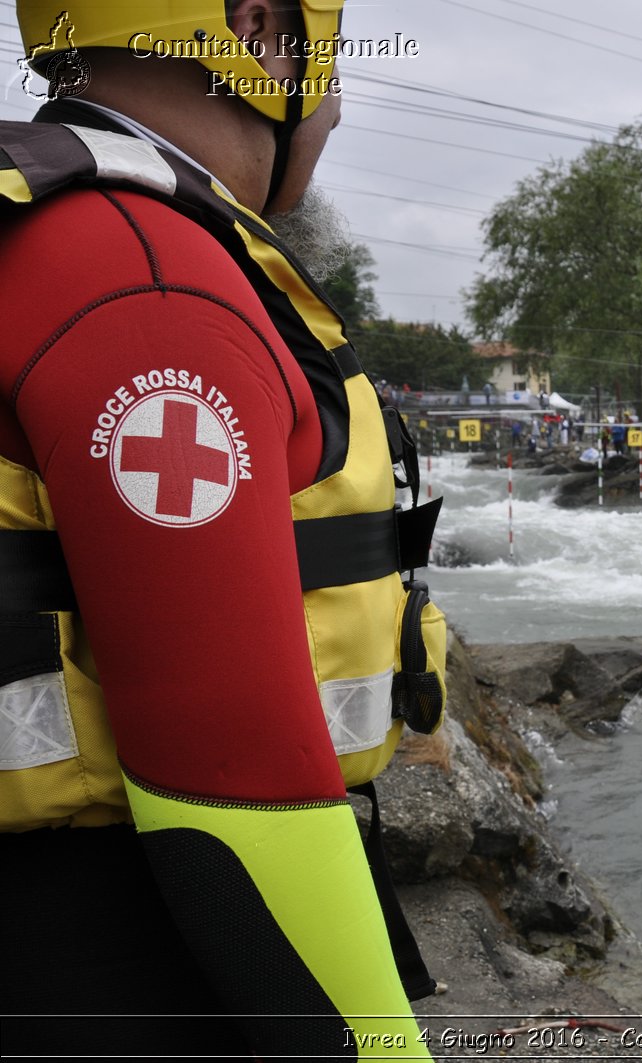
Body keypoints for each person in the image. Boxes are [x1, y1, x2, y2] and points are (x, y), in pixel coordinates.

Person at [0, 2, 446, 1056]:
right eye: (332, 57)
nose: (336, 102)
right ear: (256, 28)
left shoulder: (49, 220)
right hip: (109, 946)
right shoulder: (138, 271)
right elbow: (230, 772)